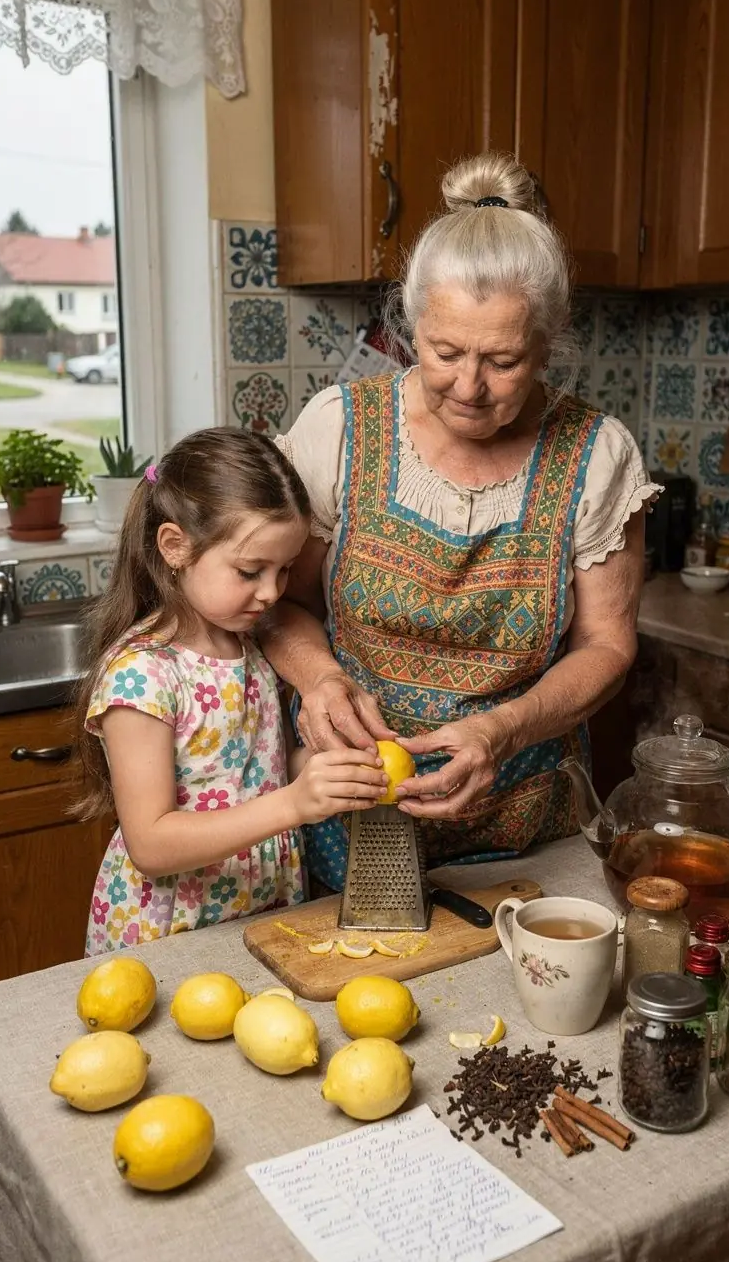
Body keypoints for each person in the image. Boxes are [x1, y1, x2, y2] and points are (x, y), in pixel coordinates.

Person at [263, 152, 660, 891]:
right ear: (412, 324)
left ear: (550, 341)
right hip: (354, 820)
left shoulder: (598, 454)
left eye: (504, 361)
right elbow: (279, 599)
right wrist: (319, 682)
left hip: (527, 833)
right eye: (445, 352)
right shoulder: (340, 429)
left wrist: (500, 731)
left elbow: (607, 643)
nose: (469, 387)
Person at [75, 428, 387, 955]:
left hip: (260, 908)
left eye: (284, 569)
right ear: (175, 547)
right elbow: (151, 842)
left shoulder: (250, 645)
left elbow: (244, 771)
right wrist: (294, 804)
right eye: (250, 571)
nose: (271, 592)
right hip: (172, 928)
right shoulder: (143, 675)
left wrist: (314, 767)